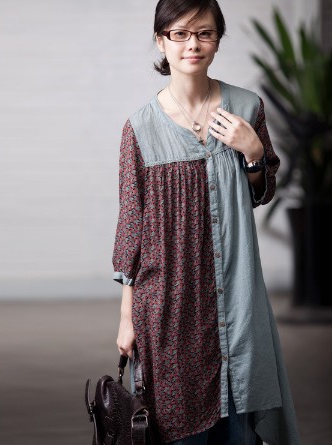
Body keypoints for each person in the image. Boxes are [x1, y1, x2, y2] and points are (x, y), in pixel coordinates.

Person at [111, 0, 301, 444]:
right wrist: (126, 317)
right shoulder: (139, 128)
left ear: (217, 40)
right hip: (169, 305)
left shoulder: (247, 107)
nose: (192, 44)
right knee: (179, 426)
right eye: (180, 33)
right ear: (161, 41)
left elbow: (261, 192)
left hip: (237, 298)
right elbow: (131, 227)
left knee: (240, 424)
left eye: (204, 33)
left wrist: (253, 151)